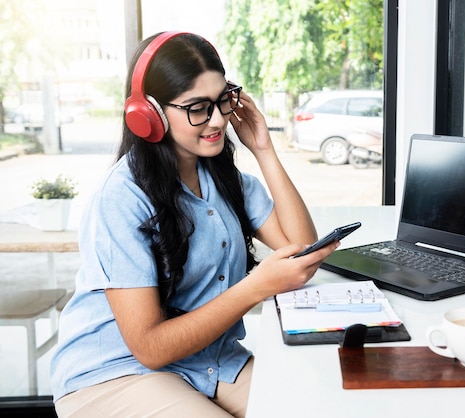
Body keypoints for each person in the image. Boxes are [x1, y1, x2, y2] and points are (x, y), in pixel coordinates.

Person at [50, 31, 337, 417]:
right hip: (114, 373)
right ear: (147, 114)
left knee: (320, 409)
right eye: (198, 107)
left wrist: (264, 149)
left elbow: (303, 254)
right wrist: (255, 288)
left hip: (208, 363)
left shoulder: (223, 179)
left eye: (222, 100)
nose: (218, 119)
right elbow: (150, 348)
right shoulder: (120, 198)